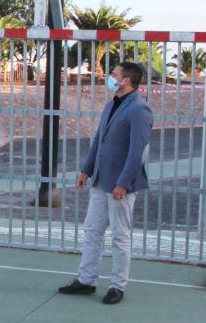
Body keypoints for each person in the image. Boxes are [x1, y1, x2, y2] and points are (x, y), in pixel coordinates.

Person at [58, 61, 153, 305]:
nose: (110, 77)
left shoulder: (139, 109)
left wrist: (123, 183)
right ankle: (86, 280)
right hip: (101, 179)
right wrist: (87, 169)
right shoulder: (112, 104)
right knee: (92, 230)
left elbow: (136, 151)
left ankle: (117, 285)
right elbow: (99, 139)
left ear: (127, 80)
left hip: (121, 185)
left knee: (120, 236)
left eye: (114, 74)